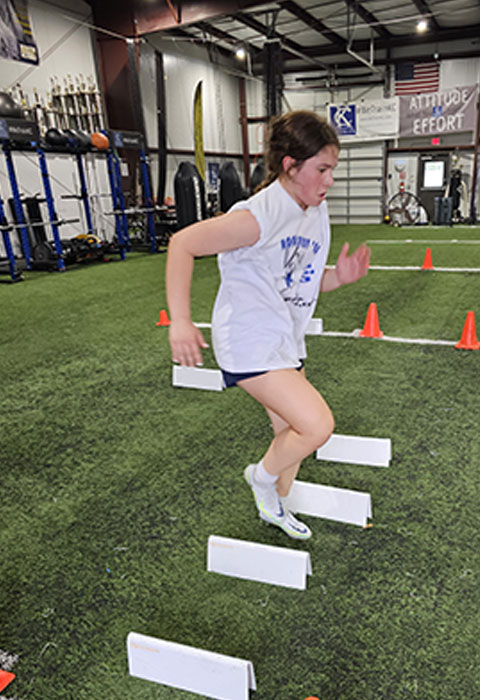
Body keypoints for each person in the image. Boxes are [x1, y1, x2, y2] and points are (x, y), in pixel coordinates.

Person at [166, 110, 370, 540]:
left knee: (289, 434)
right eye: (322, 170)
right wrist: (181, 321)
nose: (329, 180)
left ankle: (272, 503)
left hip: (283, 338)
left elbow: (304, 280)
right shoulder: (258, 215)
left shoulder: (315, 210)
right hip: (249, 339)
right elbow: (182, 243)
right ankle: (260, 479)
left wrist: (339, 277)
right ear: (290, 166)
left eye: (332, 170)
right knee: (316, 425)